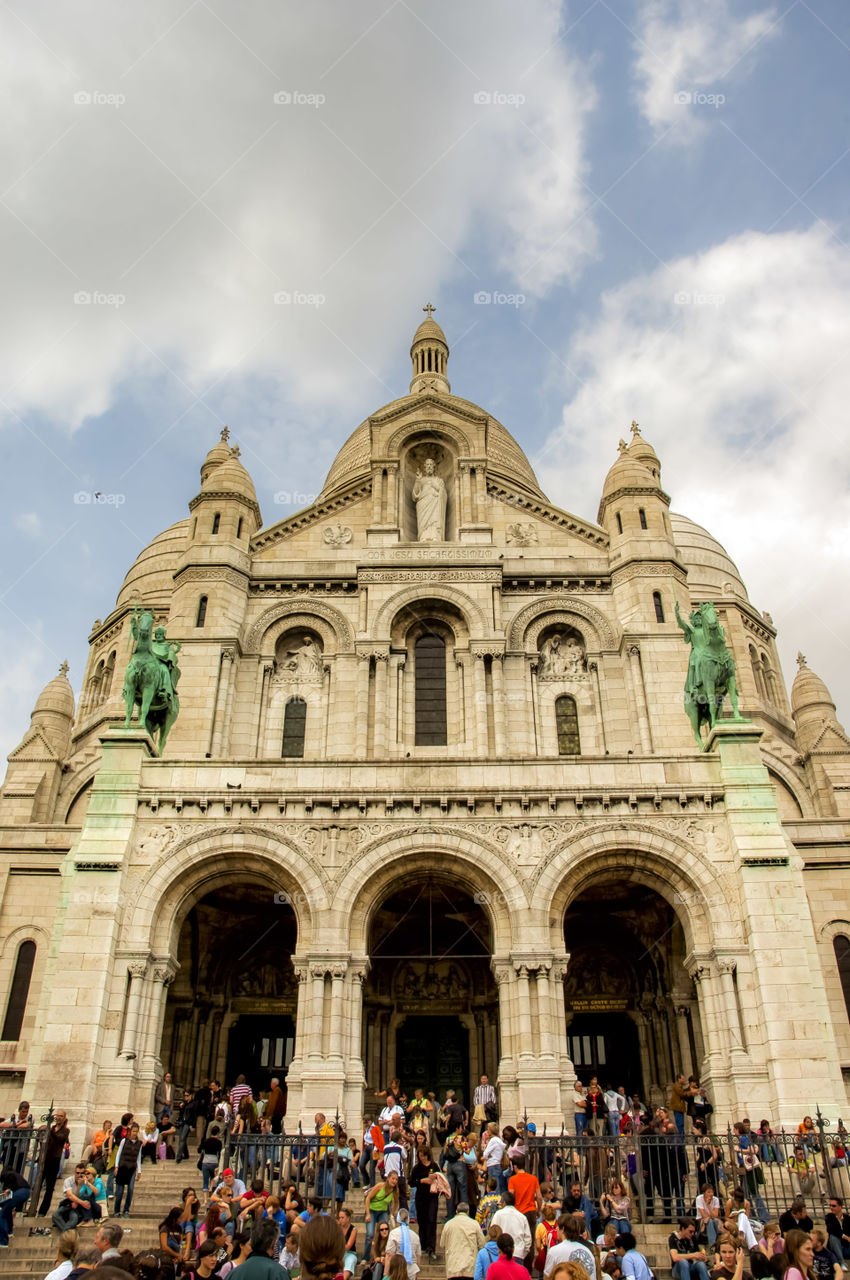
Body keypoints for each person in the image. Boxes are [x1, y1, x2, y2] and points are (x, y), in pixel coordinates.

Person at [507, 1154, 541, 1266]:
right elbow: (539, 1197)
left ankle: (517, 1263)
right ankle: (528, 1267)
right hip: (531, 1210)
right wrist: (538, 1210)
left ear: (515, 1167)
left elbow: (511, 1195)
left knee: (517, 1238)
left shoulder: (512, 1180)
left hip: (518, 1212)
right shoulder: (533, 1178)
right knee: (529, 1240)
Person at [37, 1108, 70, 1217]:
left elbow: (59, 1139)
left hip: (54, 1161)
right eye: (57, 1115)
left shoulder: (65, 1130)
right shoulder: (51, 1129)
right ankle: (33, 1207)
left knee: (50, 1188)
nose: (58, 1117)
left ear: (64, 1118)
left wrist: (49, 1129)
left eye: (61, 1116)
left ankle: (43, 1211)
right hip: (44, 1159)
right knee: (38, 1185)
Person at [410, 1143, 440, 1262]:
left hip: (432, 1197)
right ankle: (423, 1244)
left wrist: (434, 1179)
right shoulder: (417, 1168)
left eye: (423, 1155)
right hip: (421, 1197)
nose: (422, 1158)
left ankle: (431, 1247)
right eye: (420, 1156)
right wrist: (422, 1181)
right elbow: (411, 1181)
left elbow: (440, 1177)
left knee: (432, 1220)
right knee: (422, 1221)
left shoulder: (434, 1166)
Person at [441, 1202, 484, 1280]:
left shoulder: (448, 1224)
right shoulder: (474, 1224)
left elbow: (442, 1244)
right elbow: (482, 1244)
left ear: (456, 1212)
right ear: (468, 1212)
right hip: (470, 1267)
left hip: (453, 1268)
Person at [365, 1172, 400, 1260]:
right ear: (388, 1178)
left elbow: (396, 1202)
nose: (394, 1181)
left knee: (386, 1232)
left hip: (383, 1211)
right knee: (370, 1234)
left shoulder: (395, 1190)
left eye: (396, 1179)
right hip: (372, 1210)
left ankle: (383, 1253)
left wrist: (392, 1213)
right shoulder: (380, 1186)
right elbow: (368, 1198)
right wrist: (368, 1214)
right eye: (393, 1178)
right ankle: (365, 1257)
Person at [412, 458, 447, 543]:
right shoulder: (421, 480)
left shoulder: (439, 480)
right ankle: (423, 536)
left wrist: (436, 487)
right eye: (427, 465)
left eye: (431, 464)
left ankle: (435, 536)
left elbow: (444, 495)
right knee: (424, 522)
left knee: (434, 520)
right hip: (423, 504)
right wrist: (417, 481)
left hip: (435, 503)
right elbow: (415, 495)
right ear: (424, 467)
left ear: (434, 467)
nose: (429, 466)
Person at [112, 1121, 143, 1217]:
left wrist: (139, 1171)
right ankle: (117, 1211)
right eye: (133, 1131)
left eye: (136, 1131)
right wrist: (116, 1166)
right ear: (130, 1132)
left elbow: (138, 1157)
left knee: (130, 1189)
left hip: (132, 1168)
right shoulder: (124, 1141)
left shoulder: (139, 1143)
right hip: (122, 1167)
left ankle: (126, 1210)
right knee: (120, 1191)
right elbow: (119, 1153)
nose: (134, 1133)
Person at [386, 1208, 422, 1280]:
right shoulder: (415, 1236)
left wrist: (386, 1273)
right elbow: (418, 1256)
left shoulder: (393, 1233)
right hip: (412, 1269)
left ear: (398, 1220)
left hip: (397, 1270)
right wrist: (417, 1271)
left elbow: (389, 1255)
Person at [0, 1162, 29, 1245]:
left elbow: (8, 1191)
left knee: (2, 1215)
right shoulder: (17, 1175)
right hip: (26, 1192)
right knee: (7, 1209)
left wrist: (8, 1188)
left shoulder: (8, 1174)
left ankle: (3, 1241)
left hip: (18, 1193)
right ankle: (9, 1232)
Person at [825, 1196, 850, 1264]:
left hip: (846, 1247)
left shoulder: (847, 1218)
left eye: (833, 1206)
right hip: (834, 1248)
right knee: (833, 1237)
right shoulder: (829, 1217)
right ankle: (842, 1262)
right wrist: (844, 1236)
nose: (831, 1207)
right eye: (830, 1205)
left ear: (840, 1206)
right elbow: (831, 1230)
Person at [535, 1205, 560, 1272]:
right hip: (558, 1253)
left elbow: (538, 1245)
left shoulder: (540, 1226)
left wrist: (540, 1252)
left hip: (546, 1252)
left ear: (544, 1215)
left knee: (543, 1273)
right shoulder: (558, 1225)